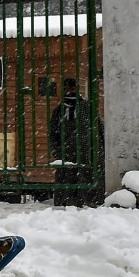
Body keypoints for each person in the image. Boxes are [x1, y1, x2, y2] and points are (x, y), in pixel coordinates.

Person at [48, 77, 104, 207]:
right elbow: (53, 134)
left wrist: (98, 150)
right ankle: (68, 201)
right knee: (67, 179)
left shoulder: (87, 108)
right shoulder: (59, 111)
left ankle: (88, 201)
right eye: (67, 88)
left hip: (87, 152)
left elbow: (99, 129)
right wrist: (57, 152)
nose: (70, 91)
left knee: (87, 178)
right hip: (66, 152)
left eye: (72, 88)